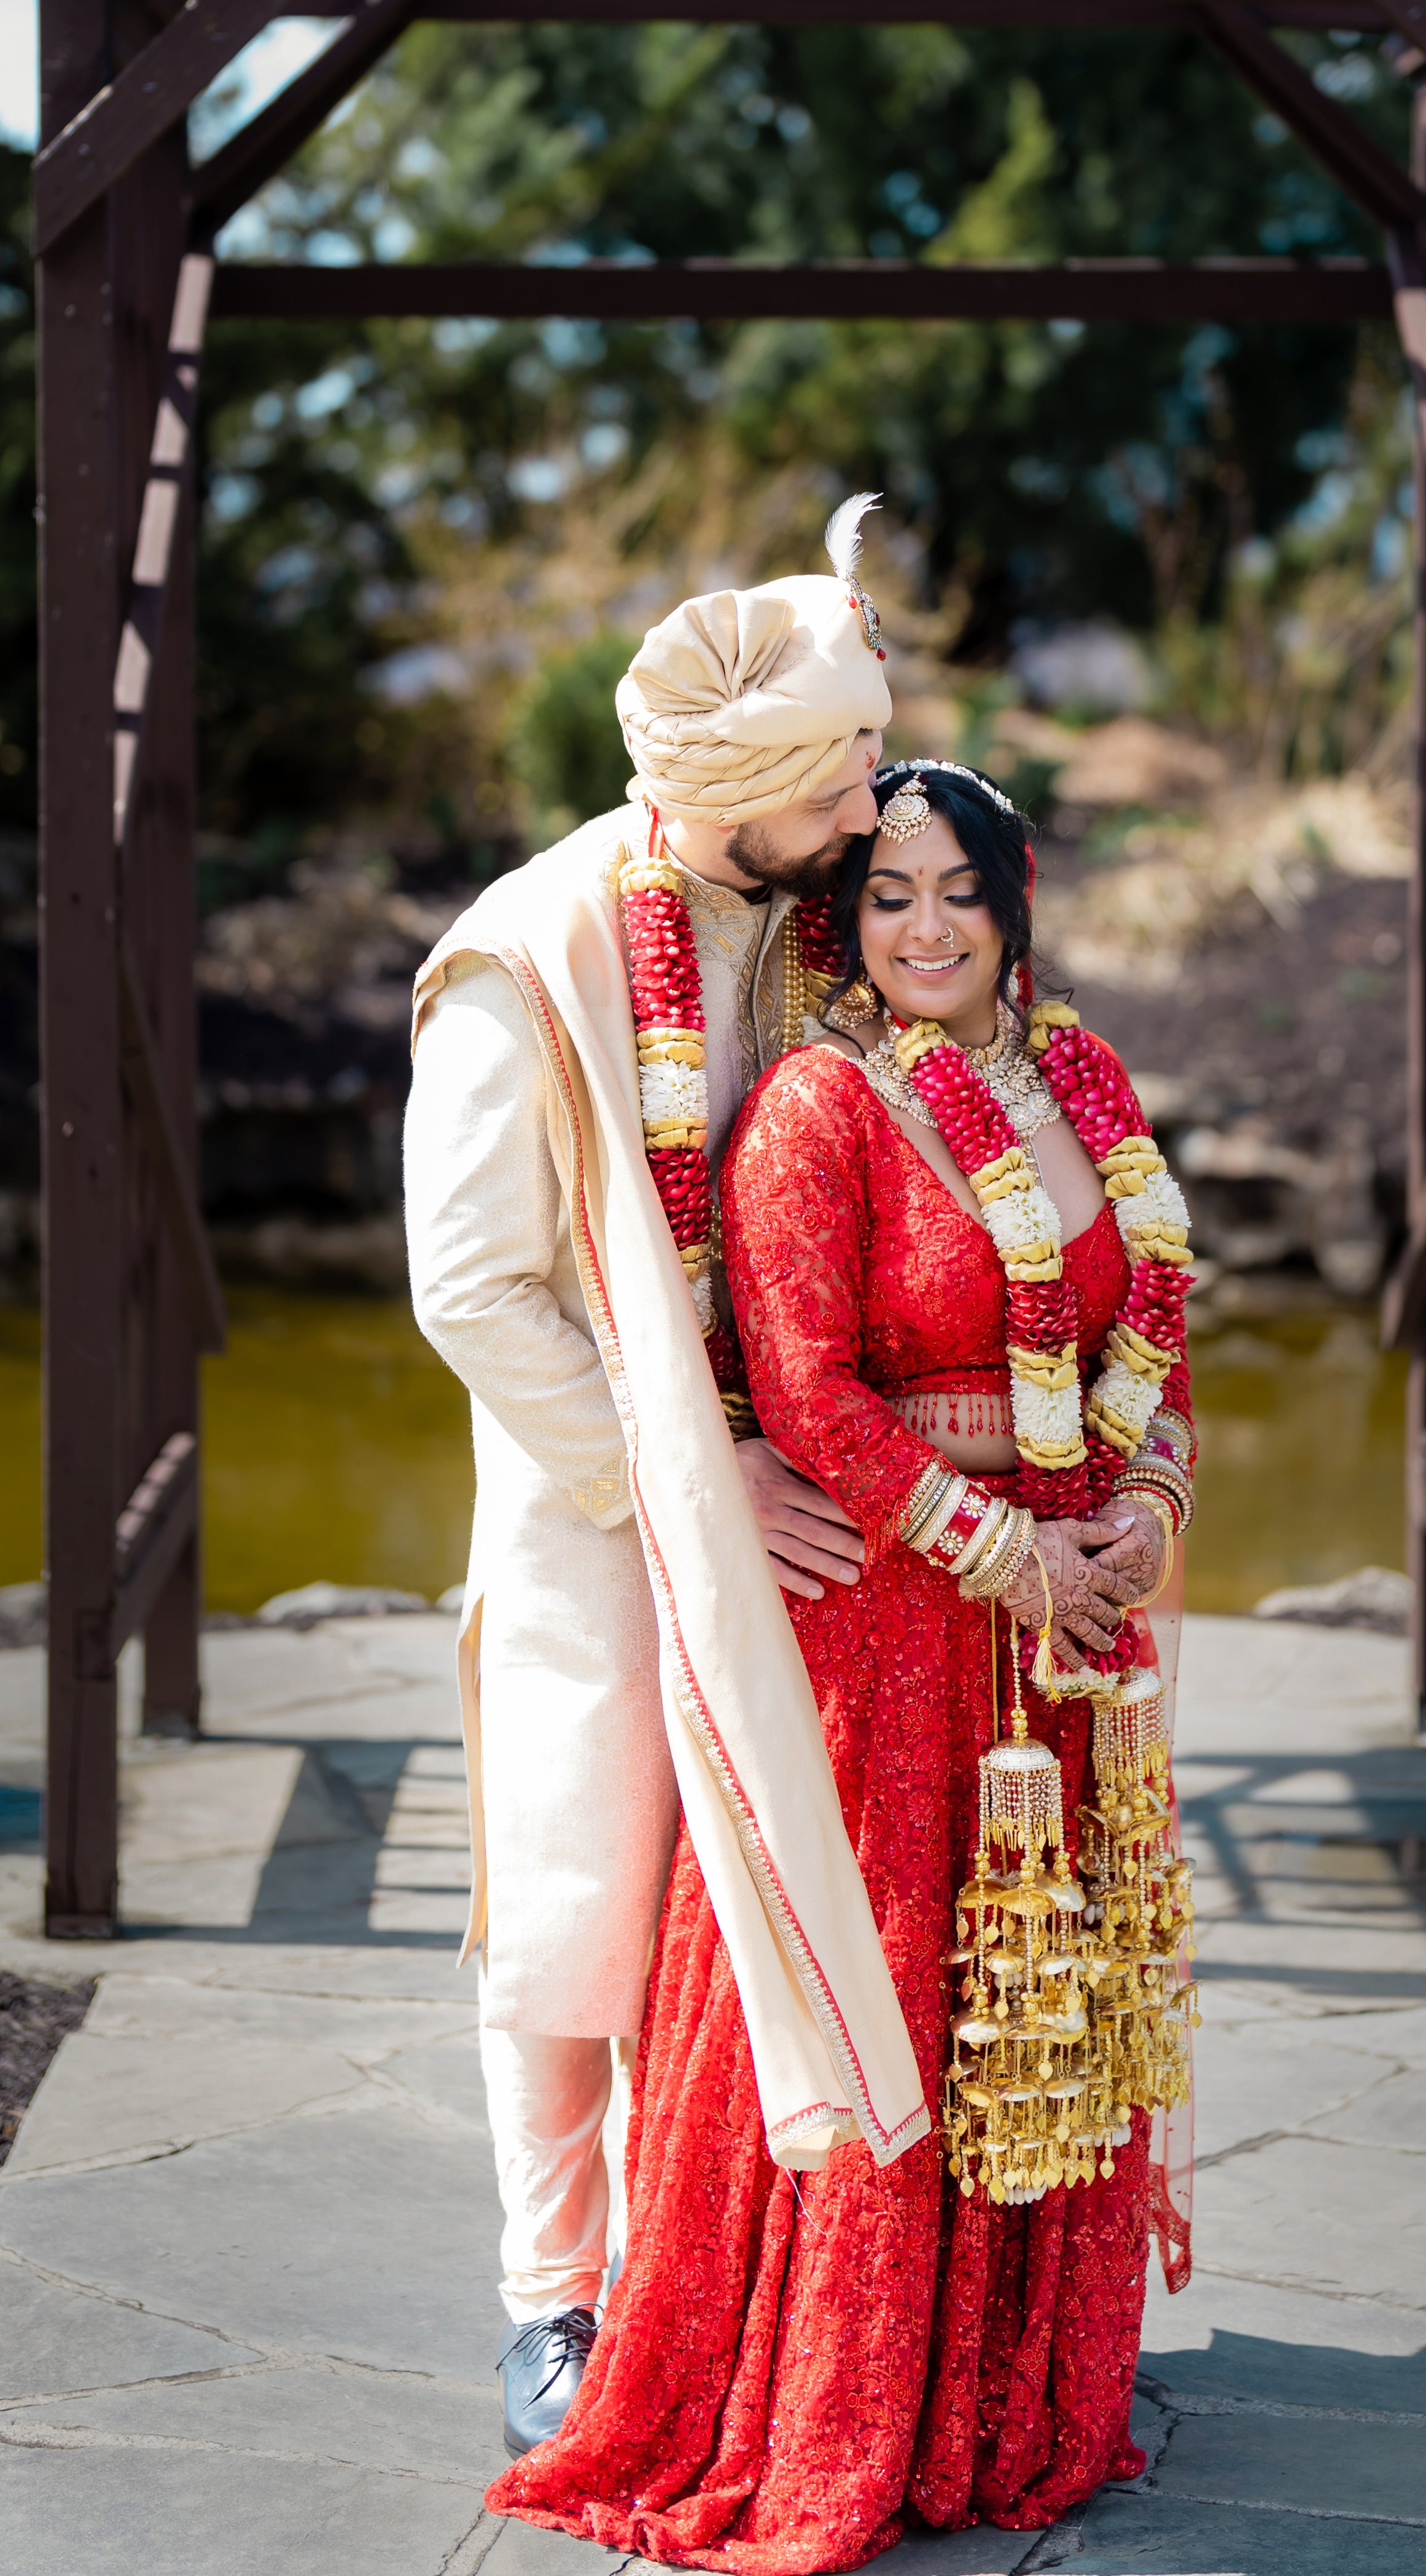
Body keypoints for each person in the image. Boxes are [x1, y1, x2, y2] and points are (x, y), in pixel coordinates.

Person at [491, 759, 1197, 2571]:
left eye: (957, 890)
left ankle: (1003, 2387)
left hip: (1057, 1645)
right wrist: (1002, 1548)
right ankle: (824, 2393)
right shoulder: (817, 1104)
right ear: (842, 921)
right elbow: (801, 1389)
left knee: (1042, 1997)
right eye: (886, 896)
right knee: (889, 1978)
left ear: (1015, 899)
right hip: (886, 1631)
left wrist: (1140, 1510)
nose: (926, 928)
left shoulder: (1083, 1082)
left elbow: (1154, 1325)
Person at [403, 505, 929, 2461]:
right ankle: (552, 2296)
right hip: (603, 1509)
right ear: (766, 792)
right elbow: (467, 1289)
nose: (875, 794)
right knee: (575, 1903)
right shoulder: (525, 955)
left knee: (754, 1899)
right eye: (854, 769)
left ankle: (739, 2278)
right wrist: (684, 1473)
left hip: (805, 1488)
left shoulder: (817, 912)